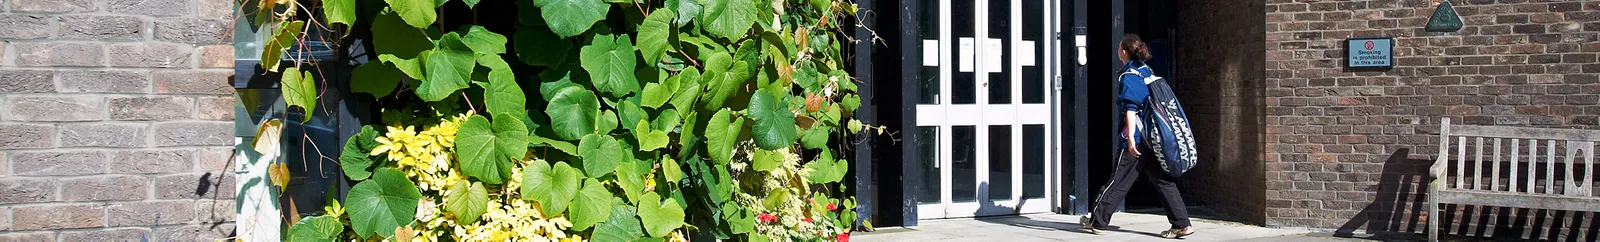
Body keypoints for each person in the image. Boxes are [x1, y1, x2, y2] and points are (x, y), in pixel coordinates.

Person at [1079, 33, 1195, 239]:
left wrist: (1131, 138)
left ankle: (1097, 222)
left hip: (1138, 139)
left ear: (1123, 51)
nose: (1117, 51)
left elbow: (1131, 108)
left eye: (1119, 48)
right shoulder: (1145, 70)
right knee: (1163, 181)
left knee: (1118, 180)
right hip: (1153, 139)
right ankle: (1182, 224)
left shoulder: (1130, 75)